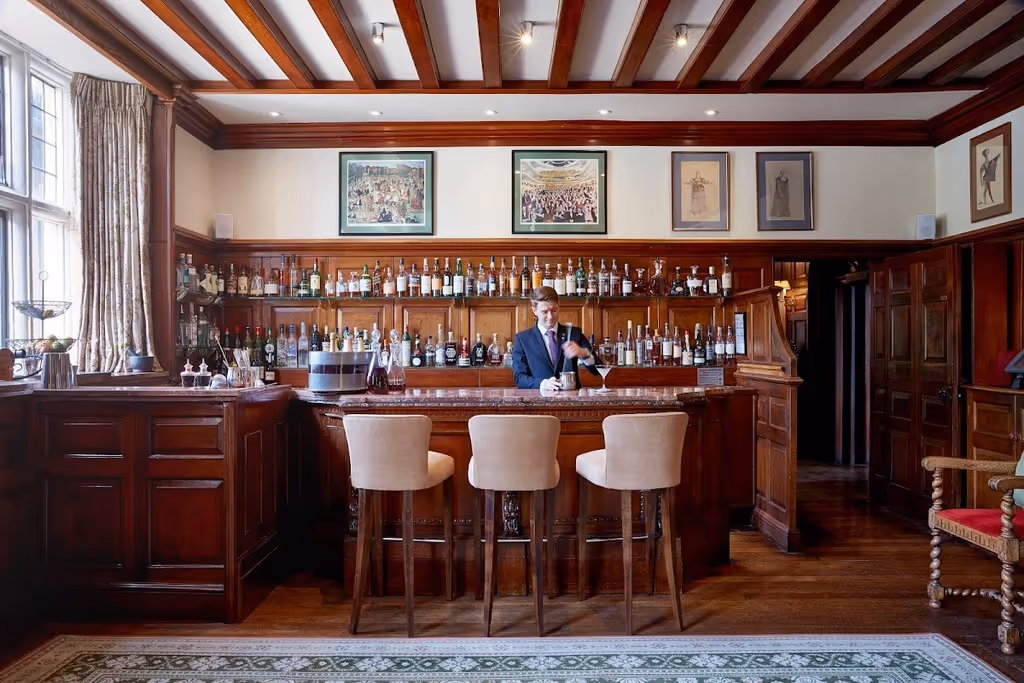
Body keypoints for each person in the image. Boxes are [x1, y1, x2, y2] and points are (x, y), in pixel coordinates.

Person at [512, 286, 600, 390]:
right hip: (538, 398)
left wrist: (583, 354)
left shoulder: (574, 333)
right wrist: (543, 384)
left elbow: (597, 370)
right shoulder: (522, 339)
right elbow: (519, 378)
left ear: (559, 306)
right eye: (544, 312)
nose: (550, 316)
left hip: (571, 397)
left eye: (554, 310)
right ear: (534, 310)